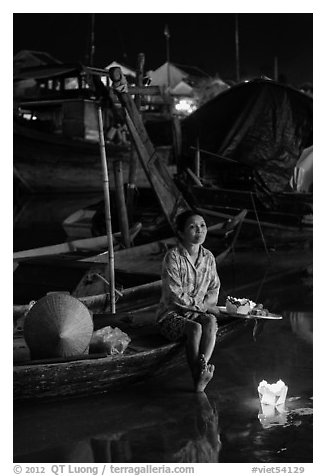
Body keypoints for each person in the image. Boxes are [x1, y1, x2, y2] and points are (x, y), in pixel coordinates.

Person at [156, 210, 221, 392]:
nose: (199, 230)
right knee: (195, 328)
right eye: (192, 227)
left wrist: (201, 308)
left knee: (210, 321)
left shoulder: (208, 257)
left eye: (202, 226)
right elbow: (174, 293)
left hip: (197, 313)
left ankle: (203, 365)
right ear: (181, 233)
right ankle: (197, 378)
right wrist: (199, 307)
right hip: (170, 316)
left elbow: (214, 289)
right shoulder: (173, 257)